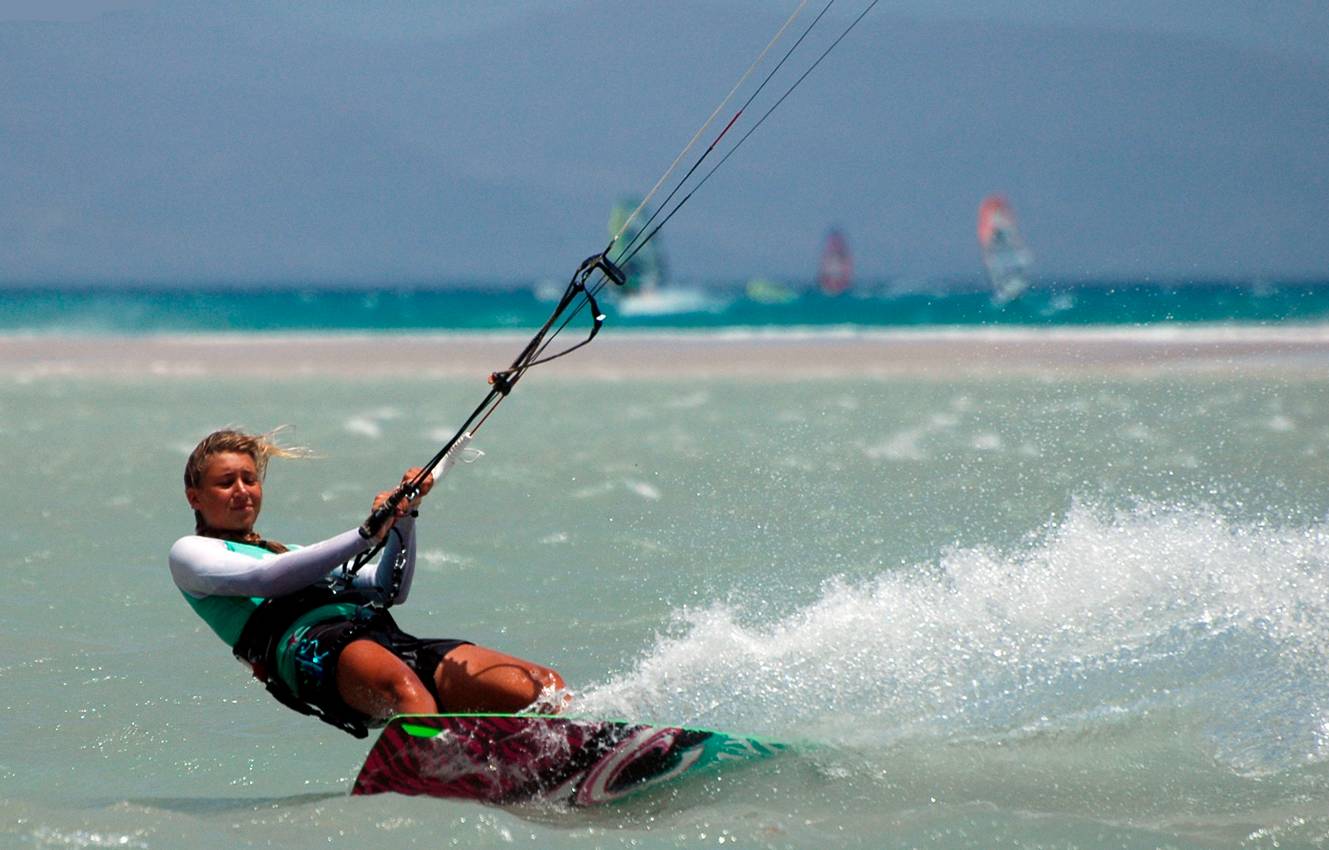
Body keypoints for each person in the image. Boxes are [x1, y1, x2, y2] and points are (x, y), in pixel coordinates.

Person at [170, 428, 567, 738]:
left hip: (378, 638)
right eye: (226, 482)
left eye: (249, 479)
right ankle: (439, 769)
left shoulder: (287, 552)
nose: (242, 491)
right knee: (407, 694)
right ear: (195, 497)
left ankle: (570, 758)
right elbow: (267, 579)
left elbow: (387, 589)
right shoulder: (190, 553)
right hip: (311, 652)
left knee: (541, 688)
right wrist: (366, 534)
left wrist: (405, 517)